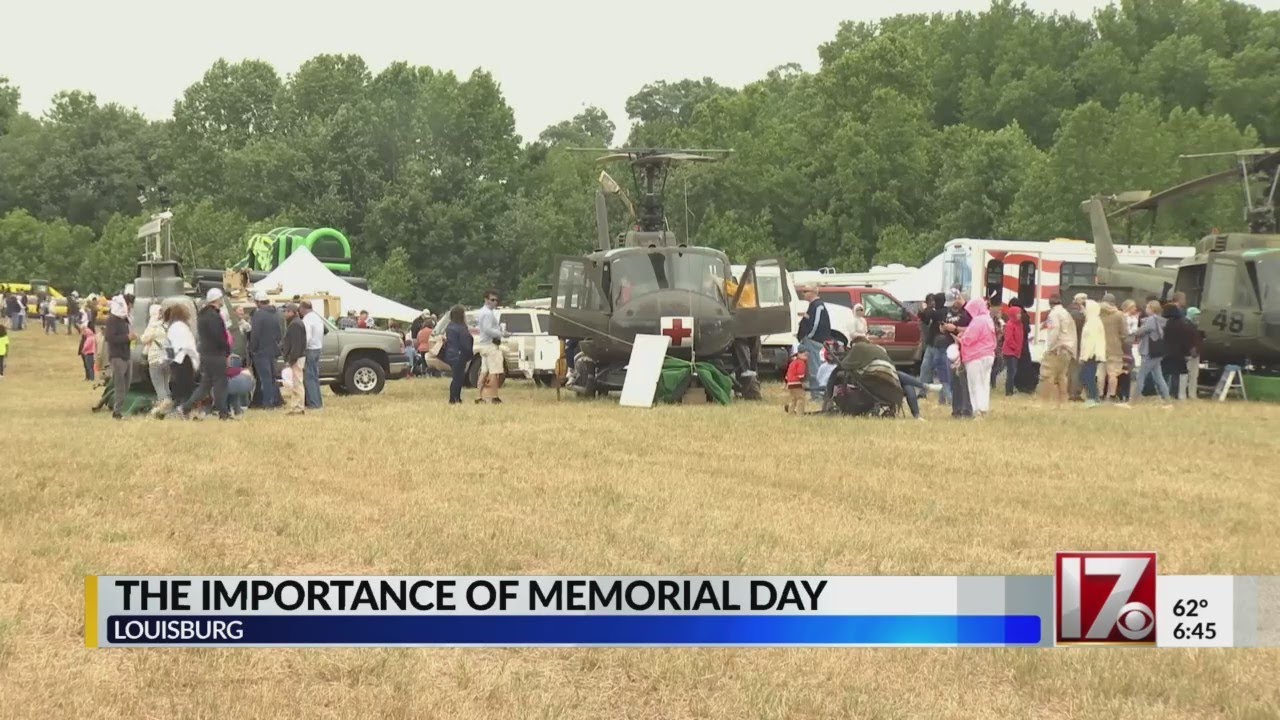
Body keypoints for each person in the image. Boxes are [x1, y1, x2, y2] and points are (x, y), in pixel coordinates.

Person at [178, 289, 232, 421]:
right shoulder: (214, 316)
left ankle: (185, 407)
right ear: (217, 299)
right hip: (216, 354)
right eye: (221, 298)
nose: (222, 301)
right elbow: (219, 336)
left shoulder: (202, 316)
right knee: (220, 383)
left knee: (205, 386)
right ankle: (223, 413)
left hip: (205, 354)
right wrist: (227, 349)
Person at [958, 296, 996, 418]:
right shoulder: (988, 319)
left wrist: (961, 338)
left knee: (975, 384)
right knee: (985, 383)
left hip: (975, 356)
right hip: (988, 354)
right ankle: (984, 408)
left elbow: (969, 338)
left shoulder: (977, 321)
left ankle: (978, 410)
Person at [796, 284, 831, 402]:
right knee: (811, 369)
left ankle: (818, 395)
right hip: (810, 341)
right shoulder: (812, 306)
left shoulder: (818, 306)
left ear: (813, 292)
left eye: (806, 291)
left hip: (814, 341)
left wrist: (809, 336)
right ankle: (814, 394)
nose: (803, 293)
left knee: (815, 368)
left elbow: (816, 323)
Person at [1133, 299, 1172, 405]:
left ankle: (1133, 401)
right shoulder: (1160, 320)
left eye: (1147, 307)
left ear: (1151, 309)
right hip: (1156, 352)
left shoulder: (1151, 320)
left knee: (1141, 376)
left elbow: (1142, 331)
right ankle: (1167, 400)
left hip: (1149, 352)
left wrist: (1133, 332)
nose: (1145, 309)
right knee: (1159, 377)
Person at [248, 292, 282, 409]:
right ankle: (275, 400)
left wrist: (252, 349)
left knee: (265, 378)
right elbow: (279, 334)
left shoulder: (259, 315)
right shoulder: (276, 313)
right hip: (273, 350)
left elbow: (255, 334)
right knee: (272, 377)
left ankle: (268, 403)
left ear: (258, 302)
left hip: (261, 351)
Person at [104, 295, 136, 420]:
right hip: (117, 356)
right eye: (130, 305)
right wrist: (126, 338)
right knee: (120, 385)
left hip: (127, 354)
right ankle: (117, 412)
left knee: (127, 385)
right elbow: (110, 338)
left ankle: (120, 409)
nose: (131, 308)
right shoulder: (112, 320)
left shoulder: (125, 320)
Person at [1040, 295, 1076, 404]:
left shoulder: (1053, 314)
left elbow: (1054, 331)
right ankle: (1063, 401)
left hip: (1057, 348)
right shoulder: (1066, 313)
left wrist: (1050, 348)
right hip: (1067, 349)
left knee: (1048, 375)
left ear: (1050, 303)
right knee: (1062, 376)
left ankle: (1045, 401)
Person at [475, 290, 509, 404]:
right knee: (495, 371)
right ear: (486, 299)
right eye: (492, 300)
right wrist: (501, 333)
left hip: (484, 345)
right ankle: (493, 396)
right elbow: (487, 329)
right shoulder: (488, 313)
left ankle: (480, 396)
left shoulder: (482, 312)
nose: (494, 302)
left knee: (484, 370)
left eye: (496, 300)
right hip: (490, 345)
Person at [164, 304, 198, 412]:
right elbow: (188, 345)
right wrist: (196, 358)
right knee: (186, 387)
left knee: (177, 387)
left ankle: (174, 408)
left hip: (174, 360)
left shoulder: (171, 327)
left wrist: (169, 360)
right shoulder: (183, 327)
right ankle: (183, 409)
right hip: (184, 359)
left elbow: (168, 346)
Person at [139, 304, 172, 416]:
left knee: (159, 386)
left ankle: (162, 409)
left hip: (155, 359)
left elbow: (144, 339)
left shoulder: (153, 326)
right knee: (166, 385)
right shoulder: (167, 325)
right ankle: (169, 408)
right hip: (167, 359)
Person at [1099, 293, 1128, 403]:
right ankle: (1111, 395)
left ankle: (1100, 394)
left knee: (1100, 372)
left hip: (1100, 347)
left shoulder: (1097, 314)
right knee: (1113, 373)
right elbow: (1124, 332)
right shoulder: (1119, 315)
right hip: (1115, 347)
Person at [1078, 299, 1106, 408]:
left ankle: (1093, 397)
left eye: (1083, 308)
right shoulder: (1093, 320)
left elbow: (1091, 341)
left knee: (1086, 376)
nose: (1082, 311)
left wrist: (1084, 356)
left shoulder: (1092, 322)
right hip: (1092, 353)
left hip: (1091, 354)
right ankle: (1093, 397)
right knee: (1086, 376)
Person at [917, 292, 946, 398]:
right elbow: (925, 319)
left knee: (942, 371)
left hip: (941, 346)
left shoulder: (943, 312)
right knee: (925, 368)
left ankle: (945, 394)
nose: (933, 303)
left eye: (935, 301)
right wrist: (922, 311)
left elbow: (931, 314)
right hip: (931, 344)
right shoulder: (934, 312)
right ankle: (922, 392)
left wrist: (927, 308)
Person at [280, 303, 308, 415]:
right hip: (297, 356)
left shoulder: (295, 324)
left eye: (287, 311)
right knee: (297, 383)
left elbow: (296, 344)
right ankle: (297, 406)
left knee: (297, 383)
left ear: (293, 312)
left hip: (297, 357)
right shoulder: (295, 323)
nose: (285, 314)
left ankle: (298, 407)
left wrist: (292, 358)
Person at [444, 304, 474, 404]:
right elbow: (465, 343)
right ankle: (454, 398)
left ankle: (455, 397)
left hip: (451, 353)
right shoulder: (461, 328)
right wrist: (469, 354)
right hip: (459, 355)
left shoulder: (450, 326)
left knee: (456, 376)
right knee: (458, 378)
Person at [300, 301, 325, 409]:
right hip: (318, 347)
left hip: (310, 349)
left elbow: (307, 336)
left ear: (303, 308)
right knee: (314, 376)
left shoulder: (307, 319)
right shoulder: (317, 317)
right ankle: (318, 402)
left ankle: (313, 403)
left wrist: (302, 348)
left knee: (309, 377)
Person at [1067, 293, 1087, 400]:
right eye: (1083, 299)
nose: (1085, 301)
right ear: (1077, 300)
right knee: (1076, 369)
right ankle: (1075, 393)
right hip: (1077, 344)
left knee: (1070, 369)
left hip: (1070, 344)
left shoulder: (1069, 310)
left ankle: (1070, 391)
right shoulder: (1078, 314)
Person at [999, 305, 1023, 396]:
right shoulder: (1010, 324)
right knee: (1011, 372)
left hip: (1015, 351)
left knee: (1013, 371)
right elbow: (1008, 338)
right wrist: (1015, 347)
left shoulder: (1019, 324)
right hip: (1010, 352)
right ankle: (1009, 392)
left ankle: (1011, 389)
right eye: (1018, 313)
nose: (1019, 315)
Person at [784, 349, 808, 414]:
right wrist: (802, 382)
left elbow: (787, 374)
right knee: (801, 398)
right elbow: (800, 373)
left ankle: (790, 413)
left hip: (790, 383)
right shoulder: (801, 363)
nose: (806, 355)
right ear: (798, 355)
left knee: (793, 399)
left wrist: (786, 383)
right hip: (797, 383)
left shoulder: (792, 363)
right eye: (804, 354)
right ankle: (800, 413)